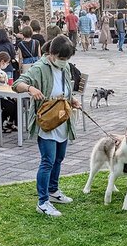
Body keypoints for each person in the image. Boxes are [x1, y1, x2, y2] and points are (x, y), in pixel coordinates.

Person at [12, 35, 81, 217]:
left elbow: (64, 88)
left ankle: (53, 190)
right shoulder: (39, 67)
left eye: (67, 59)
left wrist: (71, 99)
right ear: (52, 53)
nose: (64, 62)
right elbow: (18, 83)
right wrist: (30, 89)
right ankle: (43, 201)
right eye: (61, 58)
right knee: (47, 161)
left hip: (62, 119)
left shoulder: (64, 67)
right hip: (47, 120)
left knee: (59, 158)